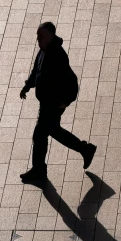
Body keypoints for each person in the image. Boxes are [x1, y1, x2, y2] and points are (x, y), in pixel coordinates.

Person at [20, 22, 97, 185]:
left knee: (41, 134)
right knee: (50, 131)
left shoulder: (58, 55)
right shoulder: (43, 51)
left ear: (51, 37)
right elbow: (36, 71)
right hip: (46, 101)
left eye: (41, 36)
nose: (37, 39)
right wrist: (27, 86)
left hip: (53, 103)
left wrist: (65, 101)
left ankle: (40, 170)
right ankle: (85, 149)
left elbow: (71, 81)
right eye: (37, 35)